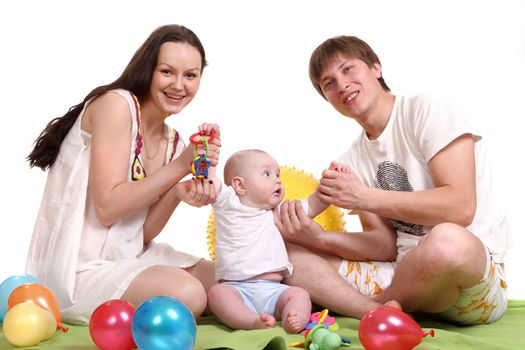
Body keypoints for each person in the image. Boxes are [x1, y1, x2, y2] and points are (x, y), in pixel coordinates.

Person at [275, 35, 511, 325]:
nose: (341, 85)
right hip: (402, 277)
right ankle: (380, 309)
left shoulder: (425, 110)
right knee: (283, 255)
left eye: (348, 69)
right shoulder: (352, 158)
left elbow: (461, 207)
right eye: (329, 83)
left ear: (376, 67)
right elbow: (384, 246)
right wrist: (317, 237)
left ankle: (373, 308)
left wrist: (364, 197)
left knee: (447, 241)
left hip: (470, 288)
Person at [25, 24, 221, 324]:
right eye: (167, 71)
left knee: (227, 279)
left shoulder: (173, 142)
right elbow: (108, 209)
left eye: (190, 75)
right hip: (78, 269)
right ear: (147, 69)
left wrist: (178, 193)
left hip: (129, 258)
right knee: (191, 294)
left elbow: (138, 234)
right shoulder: (116, 106)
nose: (179, 85)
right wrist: (181, 166)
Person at [206, 149, 315, 333]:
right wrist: (208, 161)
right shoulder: (228, 204)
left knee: (299, 294)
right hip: (236, 289)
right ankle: (250, 321)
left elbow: (309, 206)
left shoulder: (276, 211)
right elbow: (210, 183)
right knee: (217, 294)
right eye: (267, 173)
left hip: (273, 290)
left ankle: (293, 317)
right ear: (240, 185)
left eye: (278, 174)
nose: (277, 179)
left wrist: (326, 193)